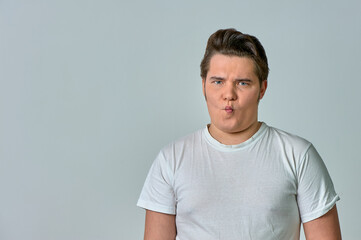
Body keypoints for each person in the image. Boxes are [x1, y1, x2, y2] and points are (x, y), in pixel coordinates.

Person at [137, 28, 341, 240]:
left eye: (243, 83)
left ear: (262, 89)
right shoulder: (171, 159)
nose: (229, 95)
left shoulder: (298, 155)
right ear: (203, 86)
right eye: (218, 82)